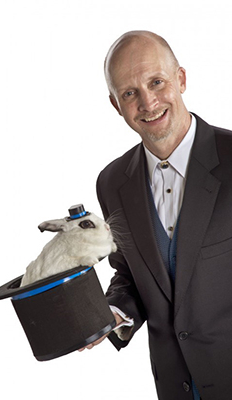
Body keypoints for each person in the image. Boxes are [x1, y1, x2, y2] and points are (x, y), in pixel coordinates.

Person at [80, 31, 232, 400]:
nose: (148, 102)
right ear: (116, 104)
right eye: (130, 93)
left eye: (156, 82)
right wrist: (114, 311)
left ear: (180, 79)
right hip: (174, 386)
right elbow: (130, 271)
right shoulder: (112, 181)